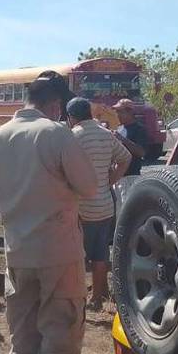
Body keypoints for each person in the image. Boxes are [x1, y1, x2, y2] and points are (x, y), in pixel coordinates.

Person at [0, 74, 97, 354]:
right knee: (60, 325)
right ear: (56, 105)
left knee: (24, 327)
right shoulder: (56, 134)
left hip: (17, 250)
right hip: (57, 248)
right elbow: (90, 188)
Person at [66, 98, 130, 310]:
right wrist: (110, 180)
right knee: (100, 253)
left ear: (72, 117)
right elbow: (125, 158)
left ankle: (78, 297)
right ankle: (98, 297)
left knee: (77, 255)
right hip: (104, 204)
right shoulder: (106, 134)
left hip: (82, 206)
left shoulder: (73, 137)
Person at [112, 99, 148, 176]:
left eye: (121, 112)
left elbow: (141, 152)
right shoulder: (119, 128)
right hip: (117, 175)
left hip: (131, 175)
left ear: (130, 112)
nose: (118, 114)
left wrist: (122, 139)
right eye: (117, 111)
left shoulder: (139, 129)